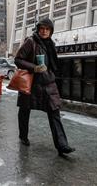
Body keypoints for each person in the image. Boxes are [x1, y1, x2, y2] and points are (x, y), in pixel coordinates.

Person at [14, 18, 75, 157]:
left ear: (51, 31)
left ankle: (62, 146)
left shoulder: (50, 44)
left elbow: (54, 63)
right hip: (31, 82)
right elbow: (18, 60)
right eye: (42, 28)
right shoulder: (31, 41)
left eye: (47, 29)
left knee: (55, 112)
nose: (44, 31)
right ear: (38, 29)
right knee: (25, 110)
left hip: (48, 83)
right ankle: (23, 136)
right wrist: (34, 67)